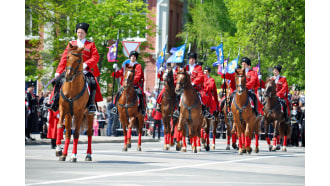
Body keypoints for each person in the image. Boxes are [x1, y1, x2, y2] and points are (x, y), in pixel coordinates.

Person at [45, 22, 103, 113]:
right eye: (78, 32)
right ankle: (54, 101)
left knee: (92, 82)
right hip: (70, 70)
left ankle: (91, 104)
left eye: (82, 33)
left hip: (84, 70)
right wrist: (58, 71)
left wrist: (86, 64)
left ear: (85, 34)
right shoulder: (71, 44)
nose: (80, 34)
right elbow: (64, 57)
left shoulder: (90, 45)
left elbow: (96, 57)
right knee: (58, 80)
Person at [111, 50, 146, 115]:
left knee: (140, 93)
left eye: (134, 56)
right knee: (118, 92)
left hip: (134, 85)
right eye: (132, 56)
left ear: (136, 58)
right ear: (130, 57)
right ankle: (115, 107)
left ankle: (142, 108)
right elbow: (120, 73)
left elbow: (138, 75)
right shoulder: (126, 65)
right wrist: (115, 70)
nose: (133, 57)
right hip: (125, 84)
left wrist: (131, 82)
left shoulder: (138, 66)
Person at [184, 52, 210, 118]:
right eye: (190, 59)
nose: (191, 60)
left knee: (201, 96)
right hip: (186, 87)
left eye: (193, 59)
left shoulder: (198, 67)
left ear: (195, 60)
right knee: (179, 95)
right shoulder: (186, 67)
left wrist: (194, 82)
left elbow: (200, 76)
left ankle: (204, 110)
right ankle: (178, 110)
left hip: (195, 87)